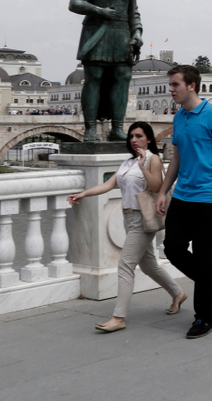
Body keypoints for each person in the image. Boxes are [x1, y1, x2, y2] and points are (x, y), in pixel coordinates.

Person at [67, 121, 186, 333]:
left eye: (139, 136)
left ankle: (118, 317)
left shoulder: (153, 159)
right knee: (149, 265)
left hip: (143, 218)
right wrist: (83, 194)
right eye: (131, 136)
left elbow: (157, 187)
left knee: (125, 265)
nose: (133, 140)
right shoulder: (127, 162)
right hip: (128, 217)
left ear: (149, 139)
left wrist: (143, 165)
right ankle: (178, 293)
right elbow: (109, 184)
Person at [156, 65, 212, 339]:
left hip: (209, 196)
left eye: (175, 84)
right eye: (170, 84)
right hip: (183, 195)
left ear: (191, 85)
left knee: (203, 256)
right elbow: (176, 158)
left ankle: (204, 316)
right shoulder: (179, 117)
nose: (171, 89)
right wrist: (163, 191)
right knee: (172, 248)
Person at [69, 0, 142, 142]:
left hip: (122, 34)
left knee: (123, 78)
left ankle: (117, 128)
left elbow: (133, 10)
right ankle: (90, 129)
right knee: (94, 79)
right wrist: (100, 11)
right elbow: (75, 2)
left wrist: (137, 32)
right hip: (97, 32)